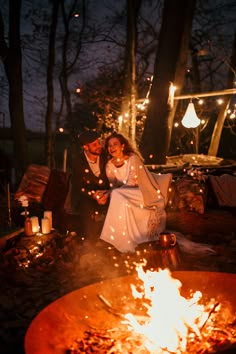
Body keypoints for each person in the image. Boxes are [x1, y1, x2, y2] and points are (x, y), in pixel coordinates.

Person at [99, 132, 166, 253]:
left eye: (115, 144)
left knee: (116, 195)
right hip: (123, 194)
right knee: (118, 196)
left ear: (122, 146)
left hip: (141, 192)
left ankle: (108, 238)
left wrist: (111, 193)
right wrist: (105, 193)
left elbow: (132, 182)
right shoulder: (109, 165)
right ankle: (125, 243)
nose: (112, 148)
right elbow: (114, 186)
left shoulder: (132, 159)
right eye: (109, 145)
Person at [71, 130, 110, 241]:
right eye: (94, 144)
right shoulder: (78, 161)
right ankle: (91, 244)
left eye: (99, 142)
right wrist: (93, 195)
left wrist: (106, 194)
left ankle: (112, 242)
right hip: (87, 196)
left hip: (106, 193)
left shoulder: (105, 157)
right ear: (85, 147)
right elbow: (78, 186)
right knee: (86, 207)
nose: (99, 146)